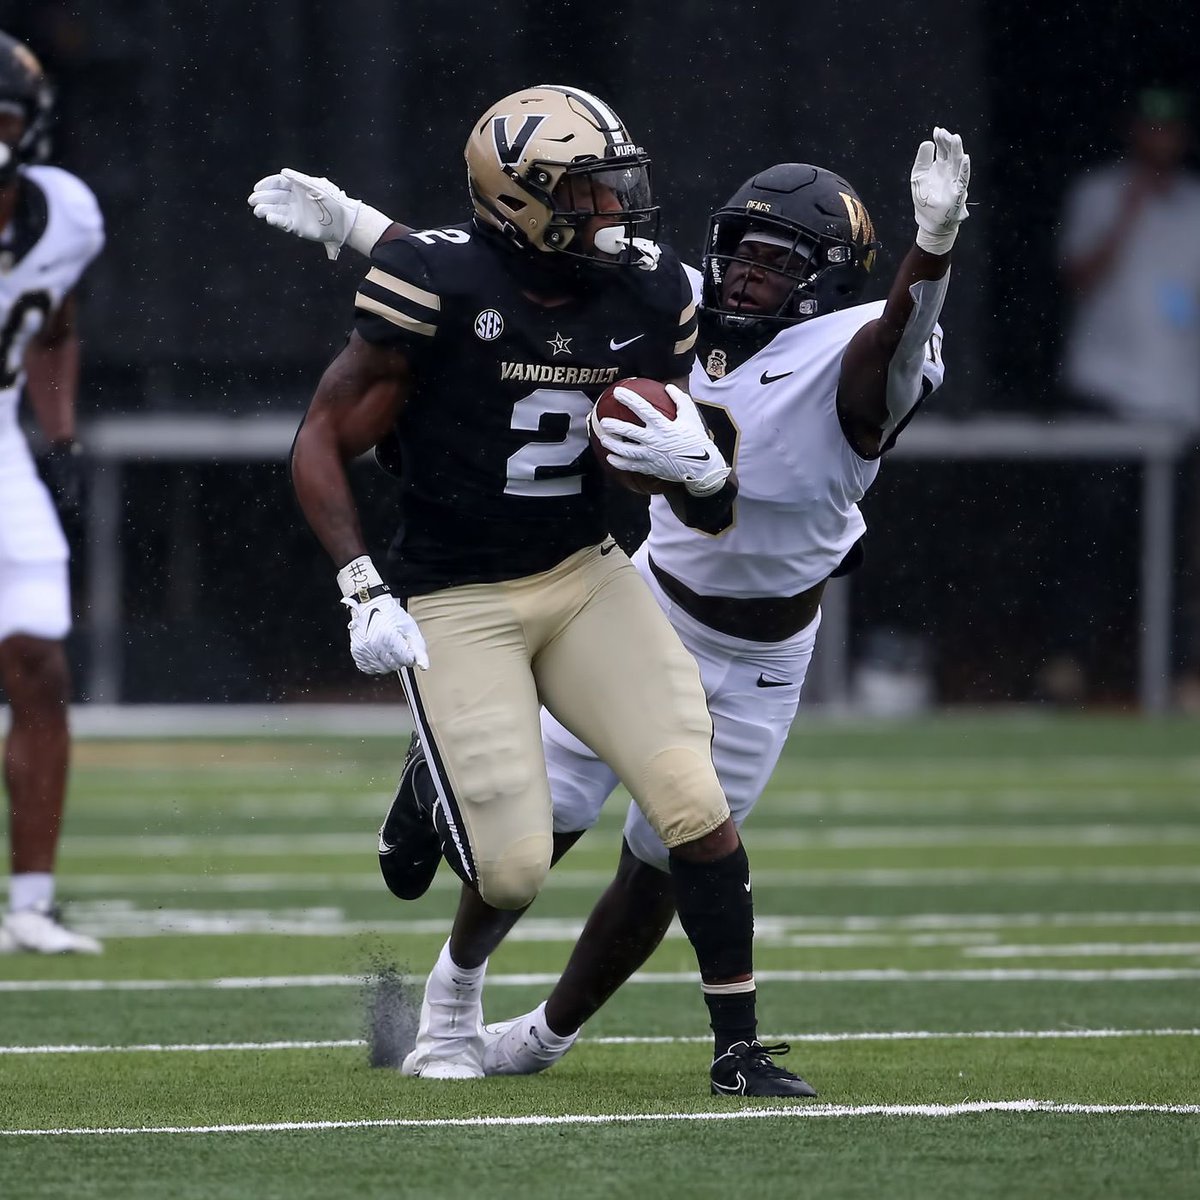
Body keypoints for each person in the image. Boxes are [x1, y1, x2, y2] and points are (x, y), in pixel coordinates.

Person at [252, 123, 968, 1082]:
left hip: (765, 655)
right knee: (540, 830)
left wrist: (937, 247)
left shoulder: (851, 351)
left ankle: (562, 1038)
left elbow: (902, 332)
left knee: (676, 852)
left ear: (829, 277)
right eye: (741, 252)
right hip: (643, 602)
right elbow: (506, 266)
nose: (746, 275)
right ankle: (452, 957)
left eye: (776, 261)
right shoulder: (674, 303)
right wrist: (356, 223)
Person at [0, 31, 103, 956]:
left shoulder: (64, 213)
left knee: (40, 662)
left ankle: (30, 901)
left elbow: (54, 321)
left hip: (1, 449)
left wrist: (57, 431)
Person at [1049, 87, 1200, 705]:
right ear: (1134, 132)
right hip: (1105, 393)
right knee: (1092, 541)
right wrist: (1130, 211)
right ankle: (1070, 667)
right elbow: (1076, 278)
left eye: (1171, 129)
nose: (1160, 140)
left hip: (1179, 405)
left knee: (1174, 549)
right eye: (1150, 128)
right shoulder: (1097, 192)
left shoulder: (1196, 205)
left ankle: (1177, 674)